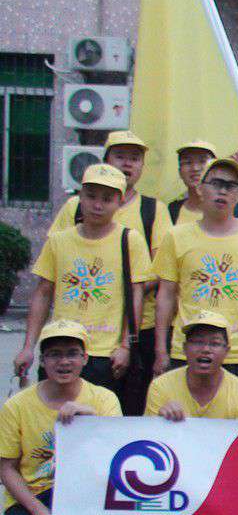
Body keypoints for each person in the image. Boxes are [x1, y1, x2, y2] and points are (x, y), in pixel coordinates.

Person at [0, 320, 131, 515]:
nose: (64, 362)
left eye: (72, 353)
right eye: (54, 354)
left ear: (85, 358)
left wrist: (91, 419)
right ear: (42, 361)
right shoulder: (17, 406)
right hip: (36, 490)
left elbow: (117, 455)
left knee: (118, 488)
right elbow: (6, 467)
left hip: (89, 486)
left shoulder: (104, 399)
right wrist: (35, 508)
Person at [49, 130, 172, 418]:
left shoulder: (152, 209)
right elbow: (55, 263)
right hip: (73, 332)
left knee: (124, 409)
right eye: (120, 156)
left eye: (135, 158)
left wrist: (124, 288)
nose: (127, 163)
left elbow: (157, 271)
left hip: (137, 327)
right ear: (106, 160)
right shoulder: (74, 208)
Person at [138, 310, 238, 515]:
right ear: (184, 348)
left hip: (222, 485)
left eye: (214, 343)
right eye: (197, 342)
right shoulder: (161, 387)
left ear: (227, 351)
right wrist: (161, 423)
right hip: (175, 482)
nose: (205, 350)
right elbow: (146, 449)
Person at [16, 164, 151, 397]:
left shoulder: (130, 240)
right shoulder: (58, 241)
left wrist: (125, 346)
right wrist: (28, 347)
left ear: (120, 202)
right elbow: (43, 293)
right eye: (91, 196)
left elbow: (136, 294)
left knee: (103, 415)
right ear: (80, 197)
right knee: (53, 413)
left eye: (107, 199)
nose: (98, 205)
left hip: (105, 354)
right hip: (60, 348)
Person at [153, 158, 238, 392]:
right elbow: (166, 295)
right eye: (216, 183)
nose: (223, 191)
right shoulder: (176, 236)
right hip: (187, 350)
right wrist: (161, 349)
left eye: (231, 186)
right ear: (199, 188)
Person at [169, 140, 238, 224]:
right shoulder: (171, 212)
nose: (195, 168)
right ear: (180, 171)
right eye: (188, 162)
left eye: (203, 161)